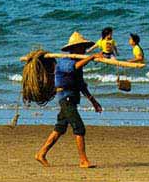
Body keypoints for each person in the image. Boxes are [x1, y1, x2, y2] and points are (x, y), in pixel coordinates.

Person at [36, 32, 103, 168]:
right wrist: (91, 57)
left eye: (85, 47)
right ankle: (83, 160)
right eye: (81, 47)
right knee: (79, 127)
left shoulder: (78, 63)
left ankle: (41, 153)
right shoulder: (65, 61)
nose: (83, 50)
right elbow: (73, 68)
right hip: (65, 98)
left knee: (60, 128)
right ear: (74, 48)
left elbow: (81, 85)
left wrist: (93, 101)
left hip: (71, 99)